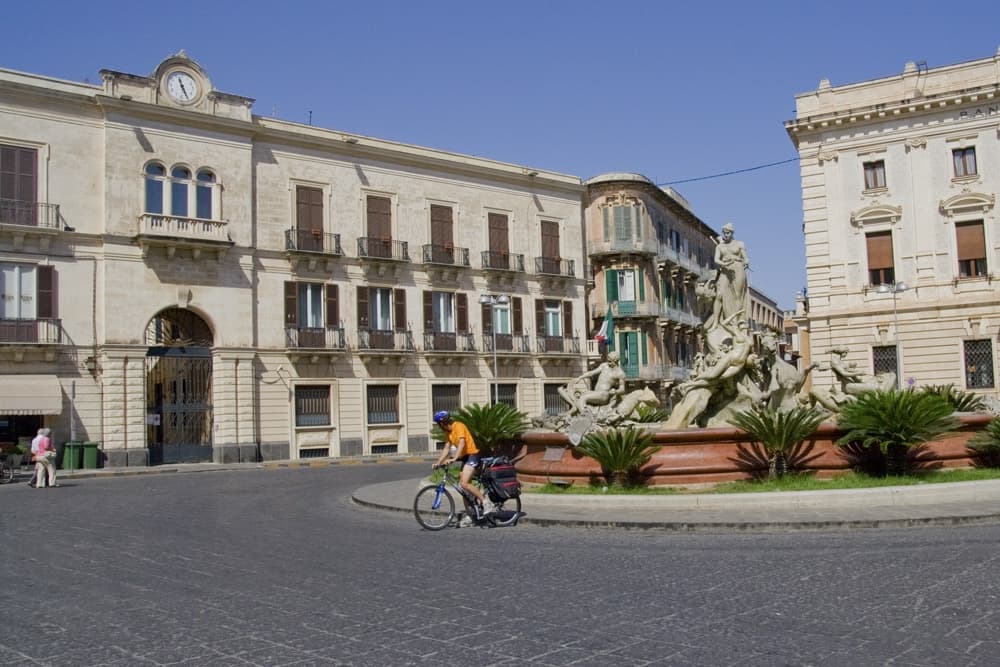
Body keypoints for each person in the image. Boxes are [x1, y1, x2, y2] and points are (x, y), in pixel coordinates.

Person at [431, 411, 494, 525]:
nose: (438, 427)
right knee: (463, 488)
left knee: (464, 483)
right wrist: (439, 462)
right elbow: (446, 448)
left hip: (473, 455)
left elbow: (462, 443)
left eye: (438, 424)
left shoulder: (458, 426)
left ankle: (485, 501)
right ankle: (470, 516)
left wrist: (454, 458)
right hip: (465, 457)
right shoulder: (448, 432)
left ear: (442, 422)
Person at [707, 223, 749, 331]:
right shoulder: (720, 246)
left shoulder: (740, 244)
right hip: (725, 269)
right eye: (725, 233)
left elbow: (745, 257)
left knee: (738, 295)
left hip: (737, 268)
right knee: (719, 295)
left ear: (732, 232)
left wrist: (746, 262)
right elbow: (716, 260)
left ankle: (739, 320)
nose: (726, 234)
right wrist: (723, 263)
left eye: (728, 232)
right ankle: (716, 322)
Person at [558, 350, 627, 416]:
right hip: (595, 392)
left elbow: (622, 389)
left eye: (610, 361)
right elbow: (592, 373)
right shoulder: (604, 366)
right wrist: (580, 378)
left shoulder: (620, 373)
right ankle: (575, 410)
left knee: (583, 398)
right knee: (579, 396)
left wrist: (615, 391)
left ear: (615, 361)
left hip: (604, 394)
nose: (608, 362)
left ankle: (585, 417)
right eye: (608, 360)